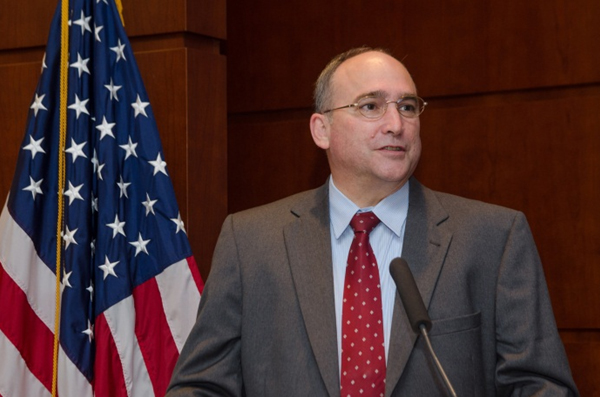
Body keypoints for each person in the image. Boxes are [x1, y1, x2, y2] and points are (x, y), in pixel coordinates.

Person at [166, 47, 579, 396]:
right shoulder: (252, 241)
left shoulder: (493, 238)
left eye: (408, 107)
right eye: (370, 106)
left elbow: (541, 386)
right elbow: (201, 386)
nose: (396, 124)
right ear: (321, 129)